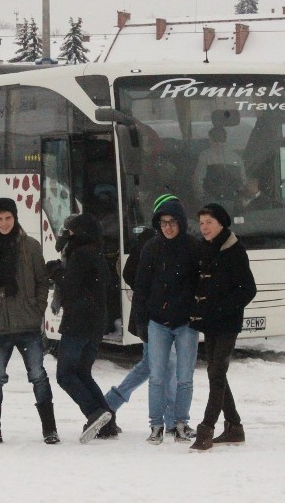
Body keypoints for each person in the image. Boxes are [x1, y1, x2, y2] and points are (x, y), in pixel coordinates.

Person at [0, 197, 58, 445]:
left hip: (28, 325)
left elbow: (42, 281)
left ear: (15, 218)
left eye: (8, 218)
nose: (4, 223)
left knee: (38, 375)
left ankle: (50, 429)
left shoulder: (31, 246)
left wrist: (38, 309)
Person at [130, 193, 202, 445]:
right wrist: (142, 321)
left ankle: (181, 423)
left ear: (181, 222)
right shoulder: (151, 248)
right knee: (157, 377)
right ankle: (156, 425)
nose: (168, 227)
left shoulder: (194, 247)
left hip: (186, 323)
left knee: (185, 377)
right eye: (163, 223)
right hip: (157, 322)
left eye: (172, 222)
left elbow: (201, 285)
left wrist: (196, 312)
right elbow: (141, 287)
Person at [187, 204, 257, 452]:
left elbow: (248, 290)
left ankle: (206, 430)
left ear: (221, 224)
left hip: (227, 323)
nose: (204, 227)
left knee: (216, 374)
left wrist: (223, 308)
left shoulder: (234, 250)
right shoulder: (205, 247)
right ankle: (234, 428)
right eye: (202, 222)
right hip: (210, 322)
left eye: (209, 222)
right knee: (216, 373)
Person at [104, 223, 178, 437]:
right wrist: (149, 292)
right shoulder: (149, 241)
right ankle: (172, 420)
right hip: (151, 316)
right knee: (167, 363)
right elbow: (129, 273)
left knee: (151, 363)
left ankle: (111, 402)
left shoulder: (173, 241)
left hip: (159, 315)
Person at [46, 213, 113, 443]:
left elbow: (70, 287)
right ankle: (108, 421)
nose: (66, 234)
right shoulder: (96, 252)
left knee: (65, 374)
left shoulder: (80, 254)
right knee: (83, 372)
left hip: (78, 323)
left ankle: (93, 413)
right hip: (95, 323)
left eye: (70, 231)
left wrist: (55, 272)